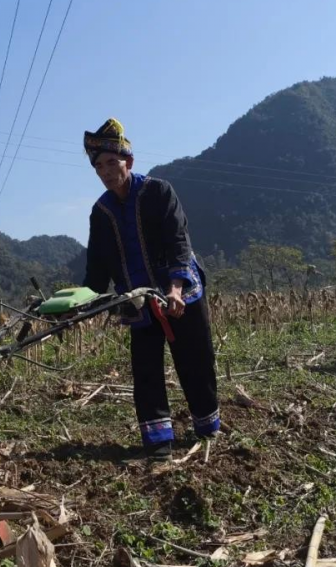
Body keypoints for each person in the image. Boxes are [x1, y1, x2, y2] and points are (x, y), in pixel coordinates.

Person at [81, 117, 220, 463]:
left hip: (180, 293)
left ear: (128, 162)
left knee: (195, 360)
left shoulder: (159, 193)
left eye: (112, 163)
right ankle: (158, 442)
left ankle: (207, 426)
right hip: (137, 300)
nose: (106, 171)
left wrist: (175, 287)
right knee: (145, 369)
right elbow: (97, 268)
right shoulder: (101, 212)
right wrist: (81, 302)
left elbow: (178, 241)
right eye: (99, 166)